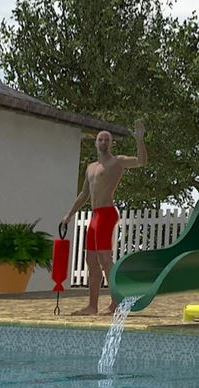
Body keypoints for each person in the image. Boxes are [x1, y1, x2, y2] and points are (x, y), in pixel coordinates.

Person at [60, 120, 148, 315]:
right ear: (95, 143)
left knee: (104, 258)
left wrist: (140, 140)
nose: (104, 142)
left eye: (107, 140)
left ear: (111, 144)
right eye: (100, 139)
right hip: (94, 216)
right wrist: (69, 215)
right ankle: (92, 306)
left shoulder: (117, 161)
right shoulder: (91, 168)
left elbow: (141, 162)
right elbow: (84, 195)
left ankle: (117, 302)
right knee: (90, 259)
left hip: (107, 213)